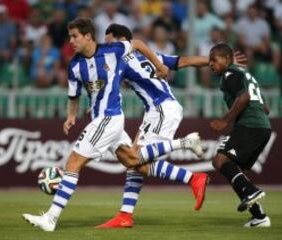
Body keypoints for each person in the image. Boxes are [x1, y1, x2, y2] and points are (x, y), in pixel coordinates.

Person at [22, 18, 203, 232]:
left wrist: (159, 64)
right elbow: (74, 95)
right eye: (69, 36)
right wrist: (71, 116)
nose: (70, 40)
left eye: (74, 36)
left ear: (88, 36)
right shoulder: (75, 65)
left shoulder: (115, 51)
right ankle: (129, 212)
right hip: (103, 117)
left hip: (111, 118)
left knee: (73, 163)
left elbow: (138, 43)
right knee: (134, 161)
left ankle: (50, 218)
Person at [96, 24, 247, 229]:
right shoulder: (149, 55)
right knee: (134, 161)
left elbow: (109, 86)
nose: (106, 46)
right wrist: (218, 62)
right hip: (158, 110)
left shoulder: (121, 59)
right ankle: (125, 215)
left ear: (122, 40)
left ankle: (192, 171)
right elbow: (185, 61)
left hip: (161, 109)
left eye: (109, 41)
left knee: (135, 159)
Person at [208, 43, 271, 228]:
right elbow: (265, 108)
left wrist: (225, 121)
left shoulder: (229, 74)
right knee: (236, 171)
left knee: (220, 160)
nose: (210, 64)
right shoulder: (245, 75)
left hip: (249, 126)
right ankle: (259, 217)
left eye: (214, 59)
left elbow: (244, 97)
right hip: (262, 127)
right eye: (209, 60)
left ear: (227, 59)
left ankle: (251, 191)